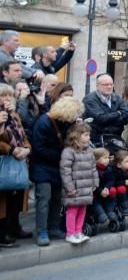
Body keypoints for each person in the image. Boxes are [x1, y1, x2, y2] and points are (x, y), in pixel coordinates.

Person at [29, 96, 83, 246]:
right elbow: (39, 148)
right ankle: (42, 231)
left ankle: (53, 227)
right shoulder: (43, 122)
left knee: (57, 198)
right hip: (42, 166)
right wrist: (62, 156)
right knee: (44, 199)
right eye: (74, 114)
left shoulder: (65, 122)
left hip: (57, 166)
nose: (75, 117)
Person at [0, 84, 32, 246]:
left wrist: (26, 149)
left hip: (18, 160)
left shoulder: (14, 115)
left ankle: (13, 227)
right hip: (4, 160)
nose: (6, 99)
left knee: (16, 196)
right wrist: (11, 149)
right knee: (3, 199)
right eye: (3, 95)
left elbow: (22, 134)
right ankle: (2, 233)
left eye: (9, 95)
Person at [60, 122, 98, 244]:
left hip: (86, 187)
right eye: (86, 135)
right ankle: (70, 233)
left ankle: (78, 232)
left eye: (89, 135)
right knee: (72, 210)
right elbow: (65, 171)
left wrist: (94, 183)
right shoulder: (69, 151)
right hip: (75, 188)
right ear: (77, 135)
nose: (89, 137)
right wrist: (69, 187)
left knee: (82, 209)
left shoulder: (89, 151)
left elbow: (93, 168)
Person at [82, 74, 128, 151]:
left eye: (111, 84)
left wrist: (109, 119)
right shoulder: (90, 99)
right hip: (97, 141)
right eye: (106, 84)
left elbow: (126, 116)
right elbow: (101, 118)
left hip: (116, 139)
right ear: (97, 86)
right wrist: (118, 113)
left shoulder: (117, 98)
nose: (109, 87)